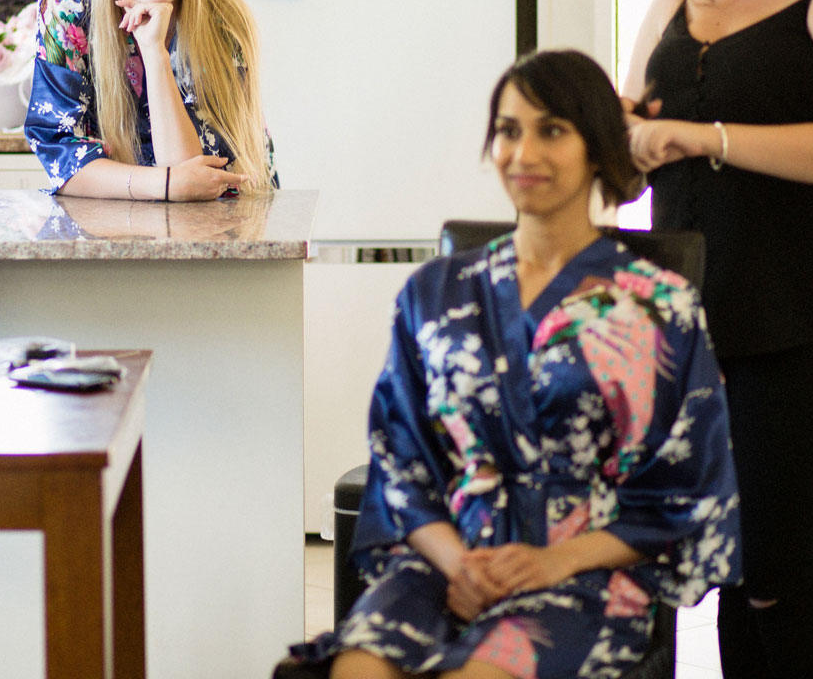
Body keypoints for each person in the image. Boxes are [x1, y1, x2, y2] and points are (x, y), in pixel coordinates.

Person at [285, 50, 740, 679]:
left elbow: (687, 488)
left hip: (584, 573)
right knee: (357, 670)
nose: (523, 153)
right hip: (447, 563)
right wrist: (458, 564)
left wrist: (554, 561)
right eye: (508, 130)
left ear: (597, 147)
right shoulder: (435, 293)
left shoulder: (660, 307)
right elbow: (400, 461)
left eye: (551, 130)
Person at [620, 0, 813, 679]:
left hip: (791, 324)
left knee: (772, 572)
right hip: (674, 331)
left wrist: (703, 139)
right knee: (686, 568)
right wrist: (619, 137)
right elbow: (634, 125)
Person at [24, 0, 277, 201]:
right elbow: (63, 159)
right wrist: (164, 184)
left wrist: (154, 51)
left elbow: (198, 175)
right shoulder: (68, 6)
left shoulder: (221, 15)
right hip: (108, 223)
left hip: (223, 220)